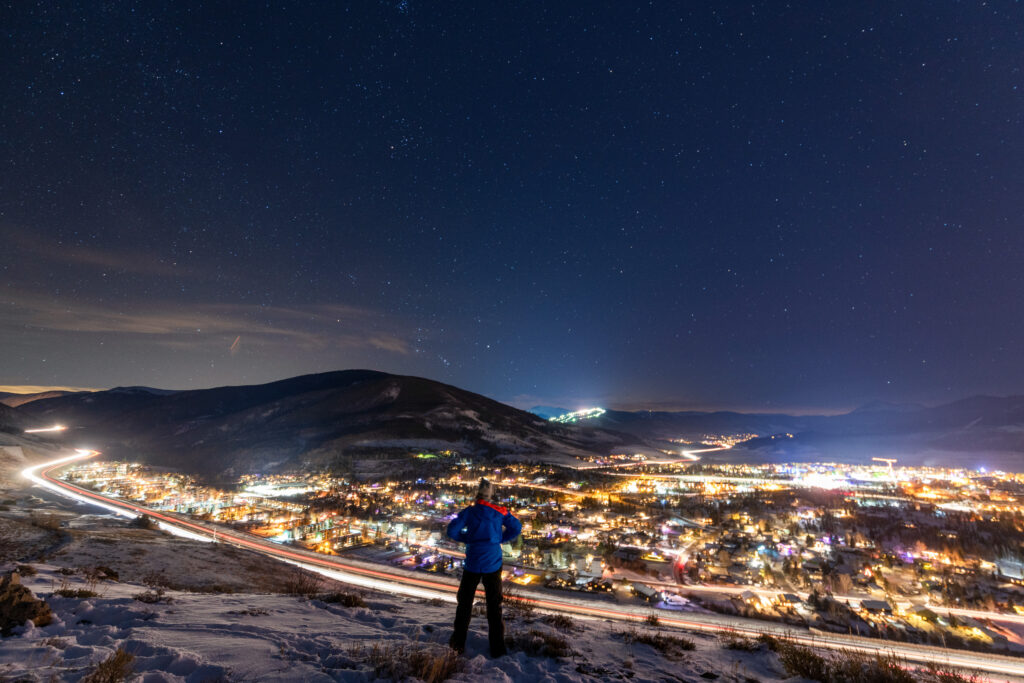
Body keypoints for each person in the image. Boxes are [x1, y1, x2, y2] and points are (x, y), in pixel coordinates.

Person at [446, 477, 522, 657]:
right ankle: (497, 649)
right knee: (494, 607)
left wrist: (468, 539)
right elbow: (516, 527)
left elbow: (452, 531)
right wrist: (499, 539)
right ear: (491, 495)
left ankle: (457, 644)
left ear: (477, 495)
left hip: (472, 562)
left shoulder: (469, 512)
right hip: (492, 563)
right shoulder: (499, 512)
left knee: (464, 604)